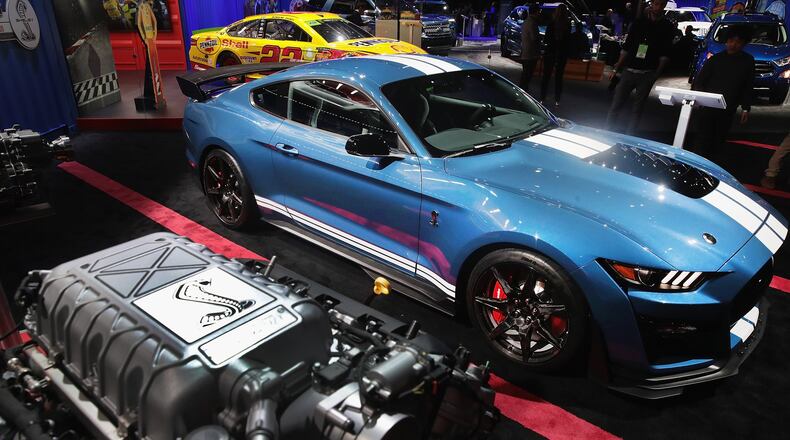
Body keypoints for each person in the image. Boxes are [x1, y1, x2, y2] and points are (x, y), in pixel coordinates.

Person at [604, 0, 674, 134]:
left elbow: (665, 54)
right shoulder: (639, 23)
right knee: (616, 105)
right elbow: (627, 47)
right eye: (656, 4)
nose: (658, 7)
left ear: (664, 6)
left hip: (647, 73)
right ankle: (606, 133)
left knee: (637, 110)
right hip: (629, 70)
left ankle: (630, 138)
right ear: (652, 4)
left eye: (661, 4)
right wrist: (617, 67)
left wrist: (655, 75)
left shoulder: (667, 26)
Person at [690, 26, 754, 164]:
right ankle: (696, 164)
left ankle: (713, 166)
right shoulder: (715, 59)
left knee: (719, 139)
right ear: (726, 42)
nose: (733, 44)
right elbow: (700, 80)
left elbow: (748, 86)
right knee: (702, 137)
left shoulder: (748, 61)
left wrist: (746, 107)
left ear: (743, 43)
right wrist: (697, 99)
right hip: (707, 105)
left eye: (738, 42)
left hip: (728, 106)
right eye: (731, 41)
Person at [540, 4, 571, 105]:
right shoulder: (567, 25)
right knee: (559, 77)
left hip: (550, 52)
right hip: (562, 54)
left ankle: (542, 98)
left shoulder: (551, 23)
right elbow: (567, 41)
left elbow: (546, 39)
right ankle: (557, 99)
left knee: (546, 76)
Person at [520, 4, 541, 93]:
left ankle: (522, 92)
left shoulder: (526, 22)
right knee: (527, 75)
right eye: (539, 12)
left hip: (525, 51)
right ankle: (523, 93)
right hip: (530, 53)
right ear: (536, 12)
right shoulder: (532, 23)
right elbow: (534, 38)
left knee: (525, 74)